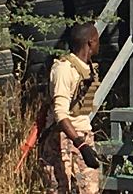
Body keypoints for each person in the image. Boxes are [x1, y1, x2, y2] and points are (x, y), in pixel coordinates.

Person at [40, 22, 101, 194]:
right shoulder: (64, 69)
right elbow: (60, 114)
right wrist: (80, 145)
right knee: (60, 189)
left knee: (90, 190)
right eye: (97, 40)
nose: (99, 44)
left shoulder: (88, 68)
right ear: (90, 42)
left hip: (82, 136)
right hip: (63, 140)